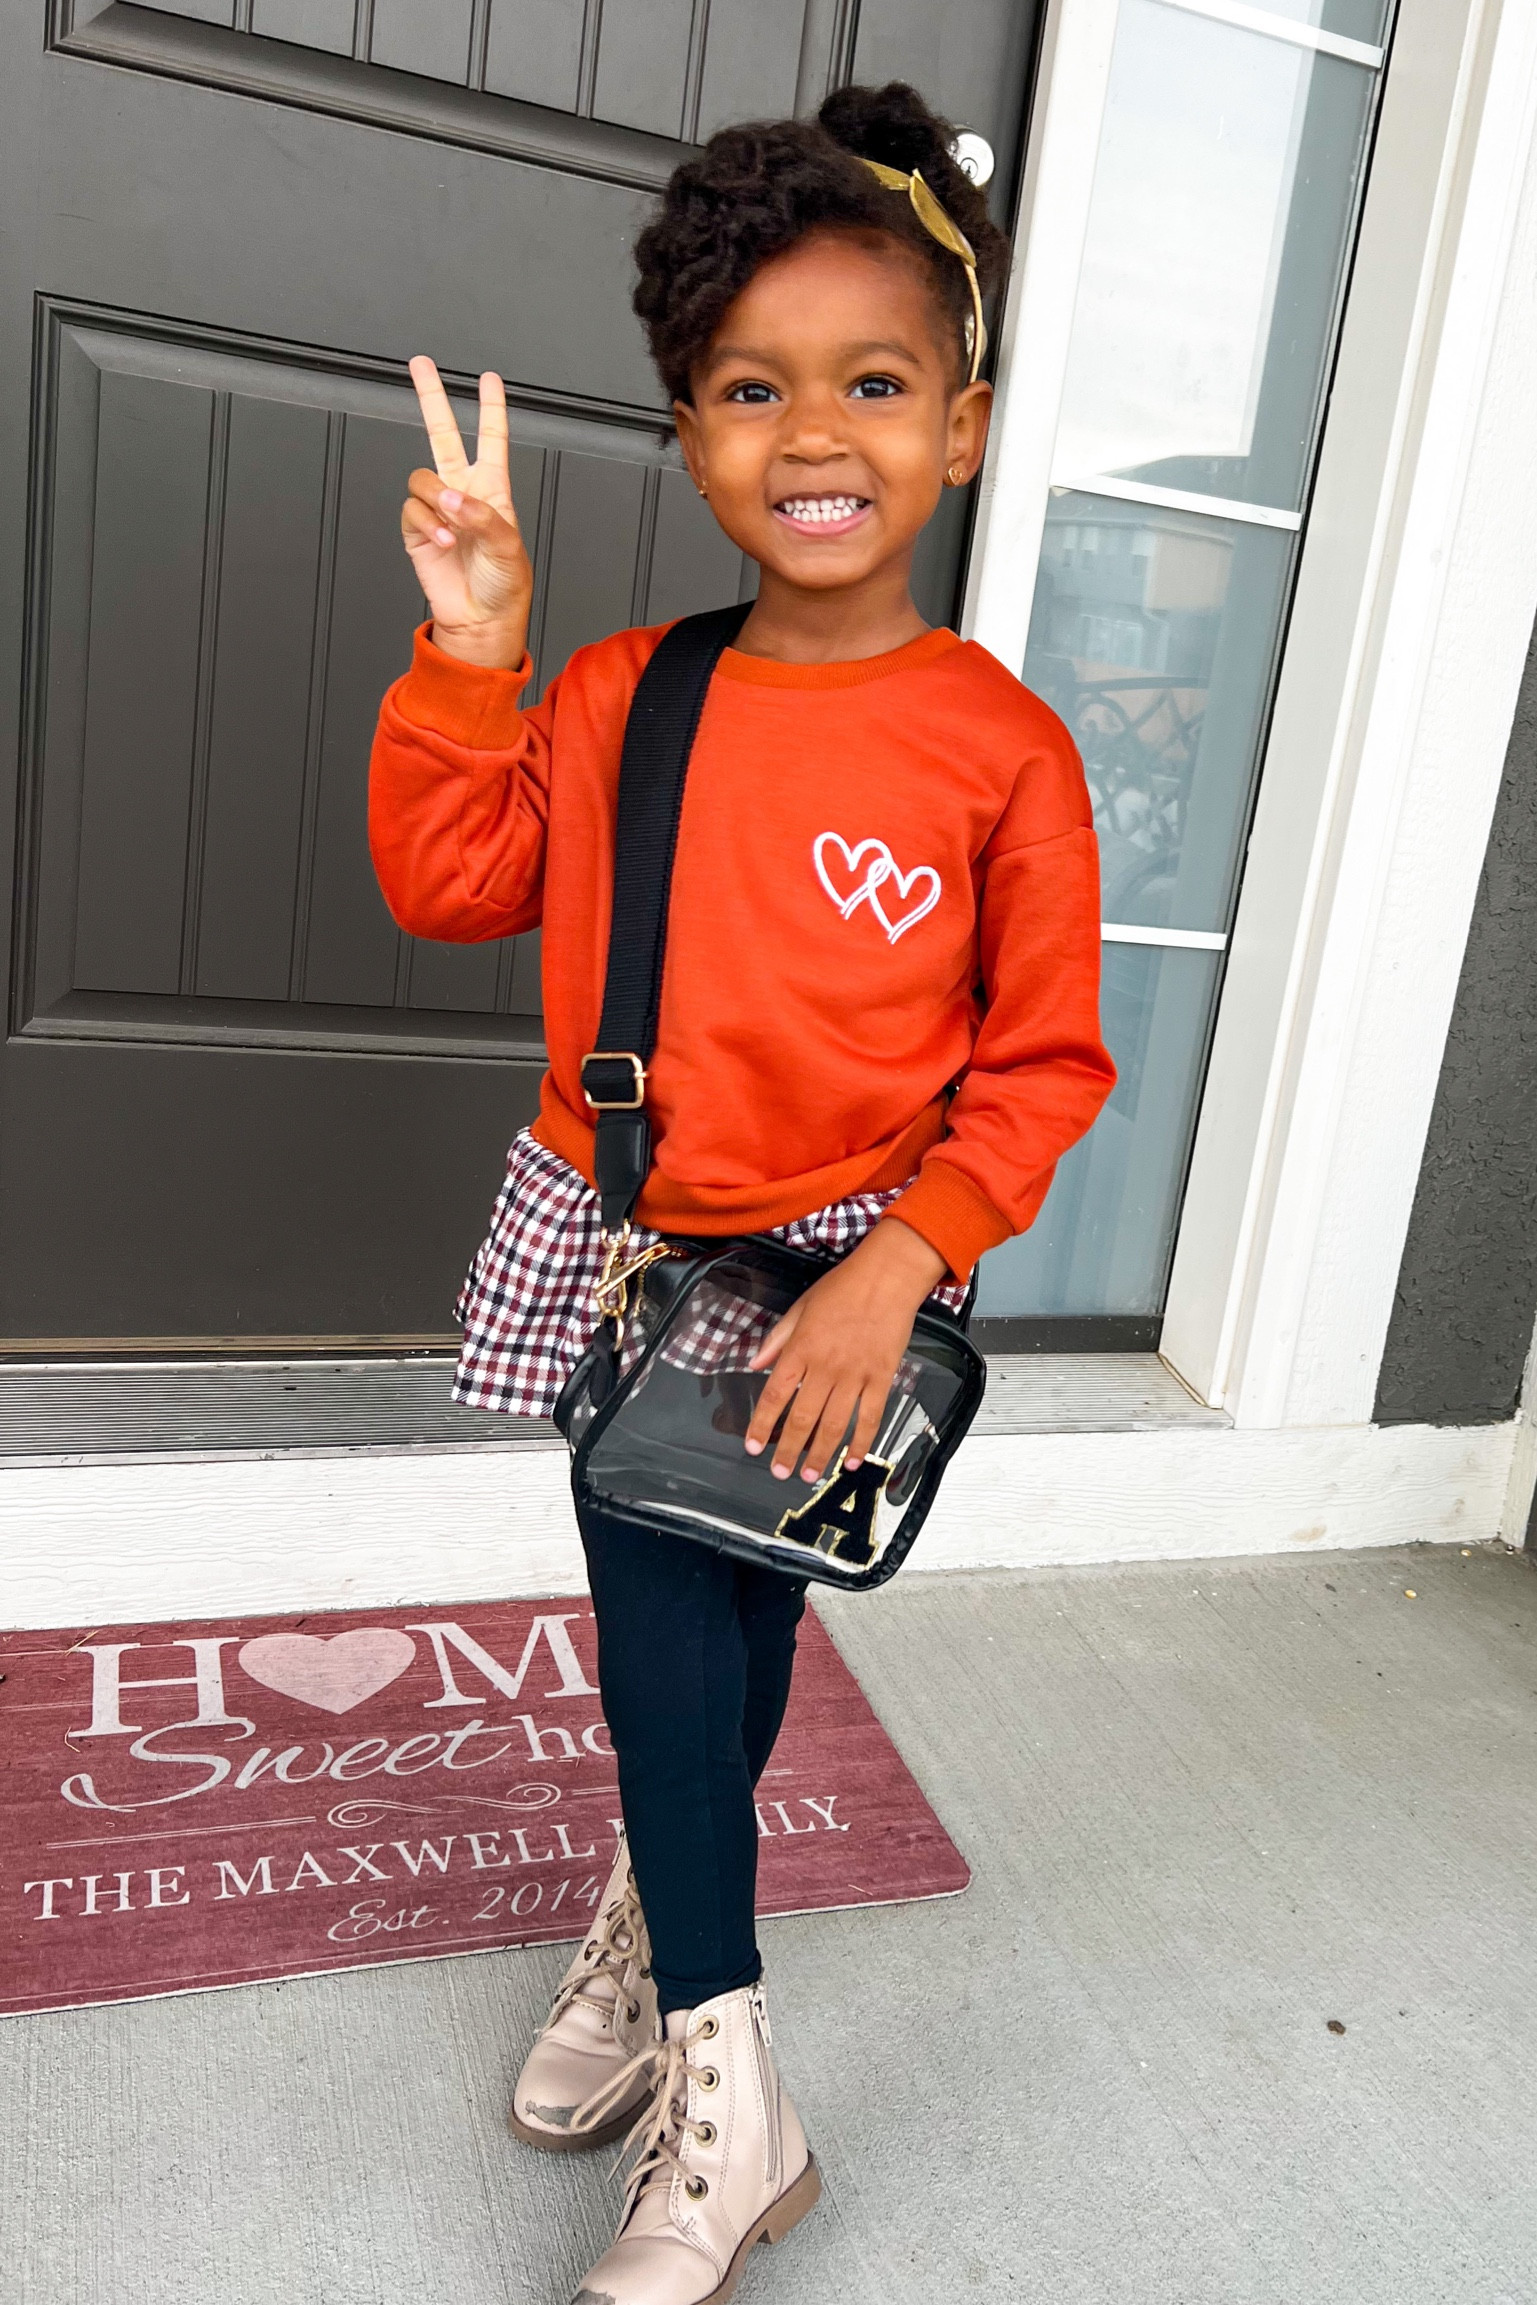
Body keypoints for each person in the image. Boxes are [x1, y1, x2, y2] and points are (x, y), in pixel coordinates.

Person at [369, 78, 1115, 2305]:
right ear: (691, 438)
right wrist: (476, 644)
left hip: (843, 1286)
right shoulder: (624, 695)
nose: (817, 434)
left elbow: (1047, 1059)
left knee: (730, 1634)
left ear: (960, 428)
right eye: (751, 390)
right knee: (664, 1640)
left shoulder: (1001, 750)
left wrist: (904, 1261)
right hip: (635, 1259)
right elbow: (448, 879)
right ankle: (730, 2063)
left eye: (874, 385)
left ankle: (651, 1915)